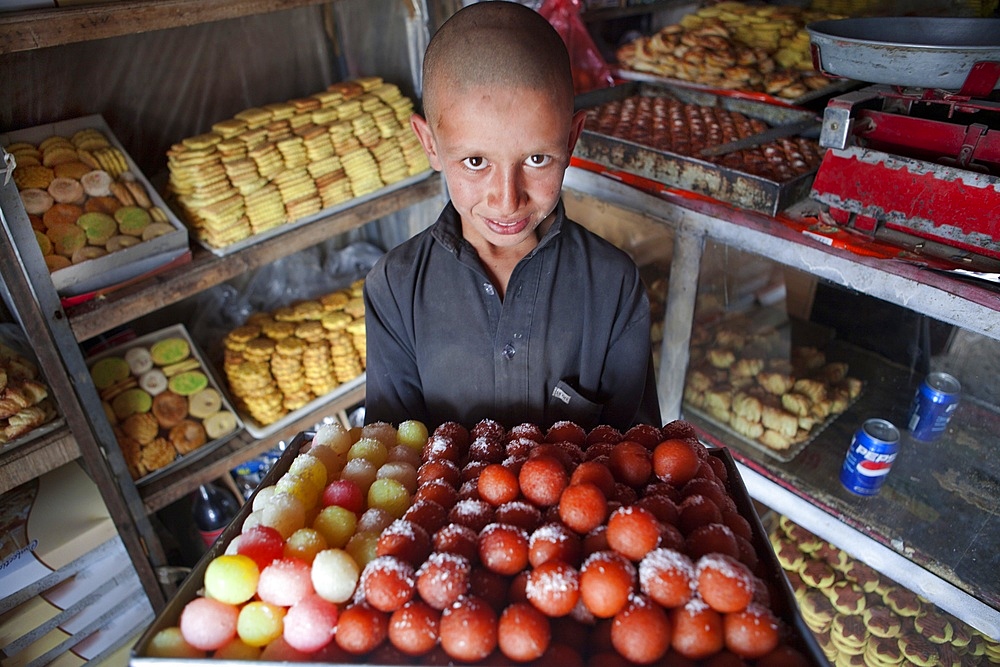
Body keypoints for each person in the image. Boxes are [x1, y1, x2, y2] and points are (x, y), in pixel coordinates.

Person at [363, 0, 660, 432]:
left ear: (572, 138)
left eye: (538, 158)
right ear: (430, 145)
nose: (507, 201)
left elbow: (636, 459)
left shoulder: (614, 287)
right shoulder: (396, 288)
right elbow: (391, 461)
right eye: (476, 162)